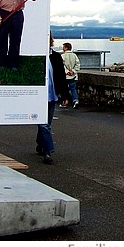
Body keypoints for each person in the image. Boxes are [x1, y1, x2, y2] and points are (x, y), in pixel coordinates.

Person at [37, 33, 69, 164]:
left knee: (46, 124)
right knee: (44, 125)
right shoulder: (36, 55)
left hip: (51, 95)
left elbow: (61, 76)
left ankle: (40, 145)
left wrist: (65, 95)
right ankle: (48, 152)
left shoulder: (55, 57)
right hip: (38, 96)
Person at [60, 42, 81, 108]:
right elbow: (78, 65)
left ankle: (65, 102)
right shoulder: (74, 55)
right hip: (73, 76)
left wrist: (67, 72)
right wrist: (73, 71)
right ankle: (75, 100)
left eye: (63, 47)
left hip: (65, 76)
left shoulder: (62, 56)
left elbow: (61, 66)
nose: (62, 48)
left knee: (64, 90)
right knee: (73, 89)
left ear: (66, 48)